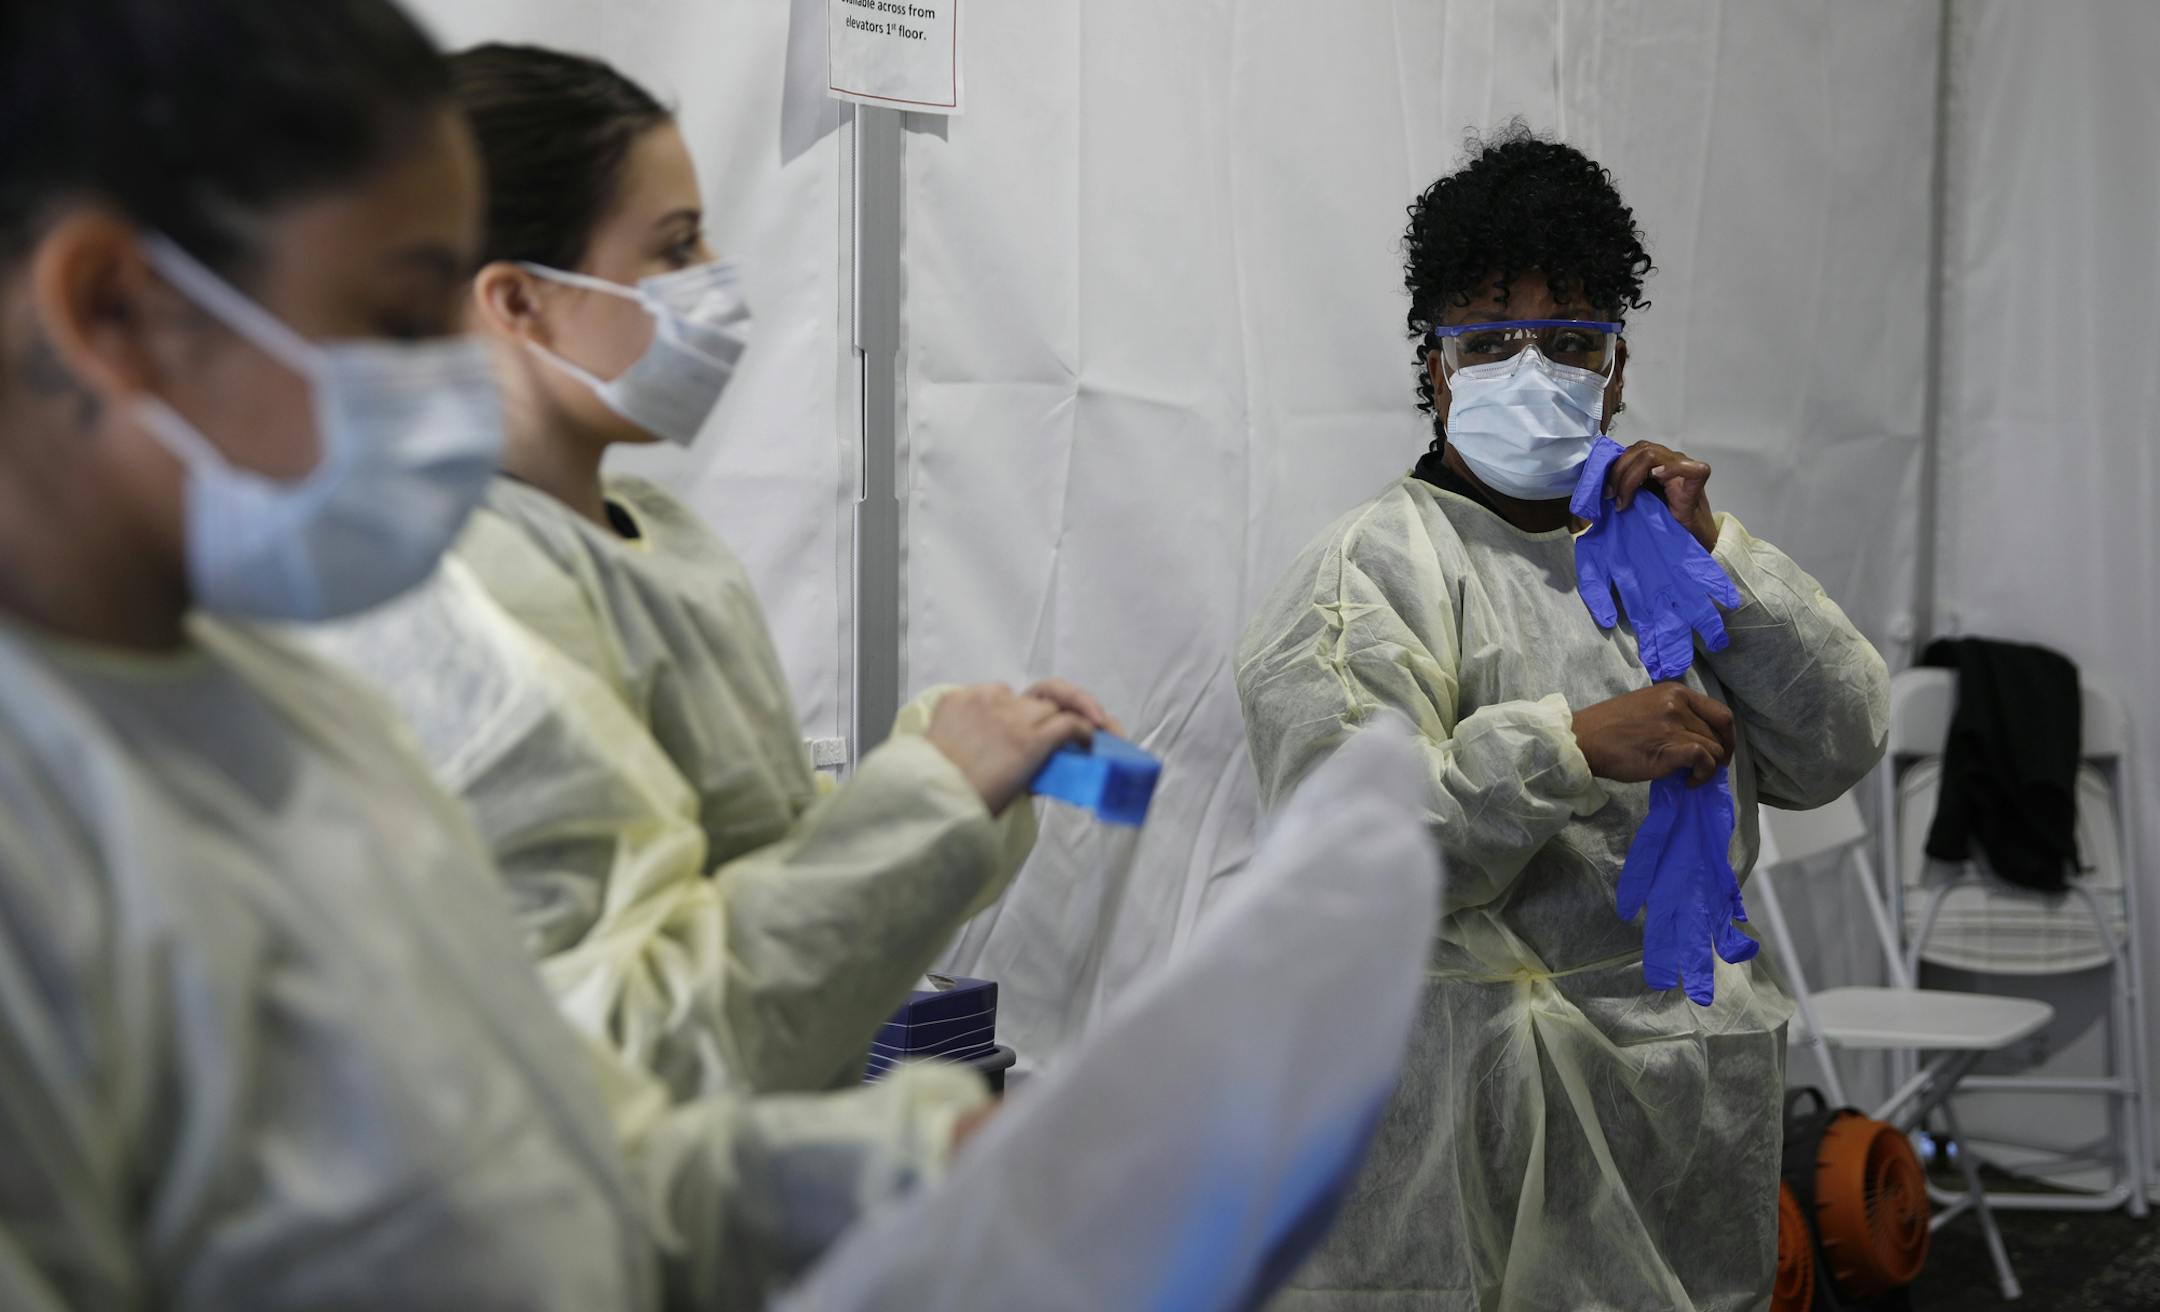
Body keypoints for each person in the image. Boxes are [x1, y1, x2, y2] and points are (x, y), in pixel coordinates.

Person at [0, 3, 1005, 1306]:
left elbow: (550, 1170)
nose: (454, 381)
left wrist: (933, 1167)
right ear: (117, 308)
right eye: (404, 318)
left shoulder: (286, 707)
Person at [307, 42, 1117, 1111]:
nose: (717, 284)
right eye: (676, 246)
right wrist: (934, 801)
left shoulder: (655, 537)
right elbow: (625, 1062)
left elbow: (752, 880)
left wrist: (956, 761)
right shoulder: (462, 605)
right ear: (517, 302)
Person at [1235, 127, 1891, 1309]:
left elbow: (1839, 741)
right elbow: (1351, 852)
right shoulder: (1370, 575)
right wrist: (1569, 747)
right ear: (1437, 371)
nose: (1532, 367)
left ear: (1617, 366)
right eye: (1491, 340)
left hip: (1684, 1119)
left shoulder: (1663, 549)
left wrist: (1718, 558)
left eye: (1571, 339)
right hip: (1474, 1135)